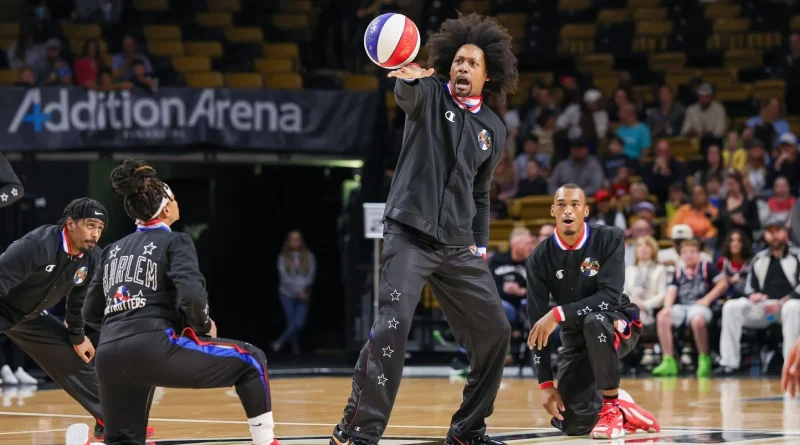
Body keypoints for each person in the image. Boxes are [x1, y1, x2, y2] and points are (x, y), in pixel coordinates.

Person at [332, 13, 518, 445]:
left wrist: (480, 248)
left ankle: (468, 430)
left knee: (496, 331)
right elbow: (408, 96)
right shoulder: (429, 91)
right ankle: (356, 432)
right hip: (409, 235)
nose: (462, 67)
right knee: (393, 325)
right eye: (458, 61)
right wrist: (408, 79)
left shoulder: (493, 128)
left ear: (488, 74)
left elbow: (480, 194)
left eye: (472, 63)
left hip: (458, 245)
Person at [76, 159, 280, 445]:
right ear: (166, 209)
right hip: (153, 346)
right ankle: (266, 441)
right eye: (173, 198)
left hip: (109, 355)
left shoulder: (111, 250)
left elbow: (90, 311)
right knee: (252, 360)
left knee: (123, 441)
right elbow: (191, 295)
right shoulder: (176, 241)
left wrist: (124, 325)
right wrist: (203, 325)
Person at [0, 198, 155, 440]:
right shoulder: (38, 245)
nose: (95, 234)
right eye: (90, 225)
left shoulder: (92, 258)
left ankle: (113, 421)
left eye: (100, 228)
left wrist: (77, 336)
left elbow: (77, 302)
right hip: (3, 305)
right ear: (71, 224)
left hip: (30, 315)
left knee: (73, 358)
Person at [525, 184, 660, 439]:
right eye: (562, 205)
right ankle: (625, 408)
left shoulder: (609, 238)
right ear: (553, 211)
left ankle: (611, 406)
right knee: (571, 423)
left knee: (595, 321)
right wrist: (545, 384)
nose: (568, 210)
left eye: (574, 204)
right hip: (575, 336)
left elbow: (609, 297)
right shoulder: (538, 259)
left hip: (618, 321)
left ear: (585, 211)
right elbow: (537, 327)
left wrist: (558, 314)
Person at [273, 230, 317, 355]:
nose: (295, 241)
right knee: (291, 322)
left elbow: (311, 275)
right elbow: (284, 277)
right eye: (292, 239)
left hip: (304, 293)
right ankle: (294, 348)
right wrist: (298, 291)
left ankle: (280, 342)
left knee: (299, 323)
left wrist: (303, 290)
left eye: (298, 239)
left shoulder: (309, 256)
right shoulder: (283, 257)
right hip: (287, 293)